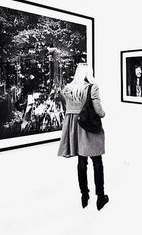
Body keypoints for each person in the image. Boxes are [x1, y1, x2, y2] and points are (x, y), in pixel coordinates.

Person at [57, 63, 109, 211]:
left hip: (74, 128)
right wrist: (103, 114)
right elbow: (98, 109)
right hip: (88, 127)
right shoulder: (92, 87)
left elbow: (68, 106)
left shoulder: (68, 89)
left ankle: (84, 196)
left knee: (82, 162)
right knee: (97, 161)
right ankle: (100, 197)